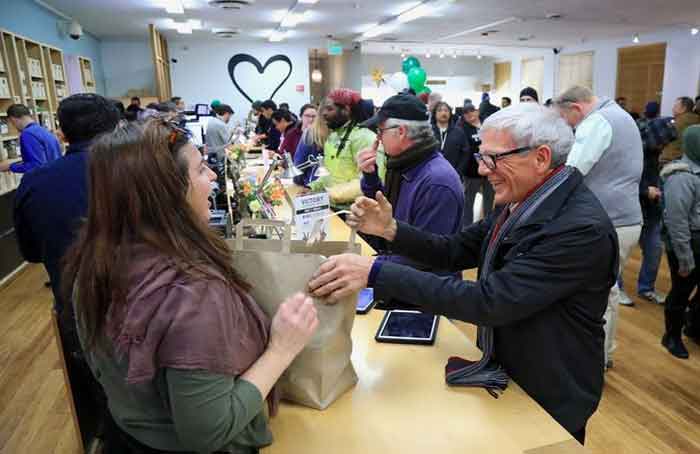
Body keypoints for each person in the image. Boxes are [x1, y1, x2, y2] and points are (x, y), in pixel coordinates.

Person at [309, 103, 617, 445]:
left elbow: (491, 301)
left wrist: (375, 271)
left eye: (493, 158)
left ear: (541, 158)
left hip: (553, 388)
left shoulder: (578, 229)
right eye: (482, 157)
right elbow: (453, 250)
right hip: (511, 371)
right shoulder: (526, 201)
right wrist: (392, 229)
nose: (483, 170)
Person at [61, 119, 319, 453]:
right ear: (168, 192)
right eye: (200, 170)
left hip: (128, 435)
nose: (212, 176)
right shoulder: (192, 293)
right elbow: (208, 432)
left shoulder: (92, 261)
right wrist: (282, 349)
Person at [13, 93, 121, 446]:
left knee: (98, 392)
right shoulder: (138, 172)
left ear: (61, 133)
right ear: (117, 127)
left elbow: (30, 252)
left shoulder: (35, 183)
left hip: (76, 307)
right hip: (144, 301)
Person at [554, 86, 643, 369]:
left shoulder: (597, 122)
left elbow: (572, 171)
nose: (569, 126)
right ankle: (603, 355)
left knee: (597, 294)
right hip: (627, 219)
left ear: (576, 108)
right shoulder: (620, 115)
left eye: (567, 120)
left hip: (609, 221)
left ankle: (592, 360)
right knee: (608, 291)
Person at [356, 94, 464, 308]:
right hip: (400, 282)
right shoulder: (404, 165)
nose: (377, 140)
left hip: (423, 299)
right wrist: (370, 177)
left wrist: (368, 267)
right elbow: (384, 217)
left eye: (380, 131)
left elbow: (426, 256)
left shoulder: (436, 182)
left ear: (401, 132)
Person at [659, 125, 700, 358]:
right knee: (680, 293)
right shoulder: (681, 177)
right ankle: (671, 336)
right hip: (689, 245)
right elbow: (677, 223)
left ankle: (693, 326)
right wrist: (685, 259)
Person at [620, 101, 665, 304]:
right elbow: (620, 181)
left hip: (651, 211)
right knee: (620, 254)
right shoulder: (629, 154)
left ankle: (646, 287)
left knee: (655, 249)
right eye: (661, 142)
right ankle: (616, 288)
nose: (663, 146)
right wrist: (645, 191)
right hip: (630, 211)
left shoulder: (654, 155)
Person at [310, 88, 377, 210]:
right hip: (331, 207)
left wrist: (329, 194)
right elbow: (330, 175)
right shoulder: (333, 136)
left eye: (330, 109)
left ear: (346, 110)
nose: (323, 113)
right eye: (324, 109)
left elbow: (368, 182)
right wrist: (313, 187)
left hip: (355, 213)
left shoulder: (364, 137)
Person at [459, 103, 495, 226]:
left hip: (490, 168)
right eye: (466, 112)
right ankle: (466, 228)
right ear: (463, 116)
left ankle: (488, 227)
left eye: (471, 111)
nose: (469, 114)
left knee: (489, 200)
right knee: (468, 201)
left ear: (477, 111)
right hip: (472, 171)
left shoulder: (487, 124)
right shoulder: (462, 129)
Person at [0, 104, 61, 173]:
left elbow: (35, 166)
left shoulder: (27, 134)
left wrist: (10, 167)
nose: (14, 127)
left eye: (12, 123)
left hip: (45, 179)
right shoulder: (44, 131)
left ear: (13, 119)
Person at [431, 101, 469, 176]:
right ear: (434, 114)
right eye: (440, 110)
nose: (443, 113)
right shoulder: (428, 132)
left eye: (446, 110)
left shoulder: (458, 132)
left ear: (450, 113)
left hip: (454, 173)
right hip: (431, 174)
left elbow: (465, 153)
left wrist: (458, 172)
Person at [293, 105, 326, 187]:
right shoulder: (292, 133)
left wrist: (298, 181)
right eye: (307, 116)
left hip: (311, 183)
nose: (311, 119)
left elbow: (299, 163)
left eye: (314, 116)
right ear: (301, 116)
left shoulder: (309, 134)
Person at [660, 97, 700, 164]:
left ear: (683, 108)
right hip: (689, 162)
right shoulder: (697, 120)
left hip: (670, 159)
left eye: (675, 106)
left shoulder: (677, 122)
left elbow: (661, 140)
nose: (672, 108)